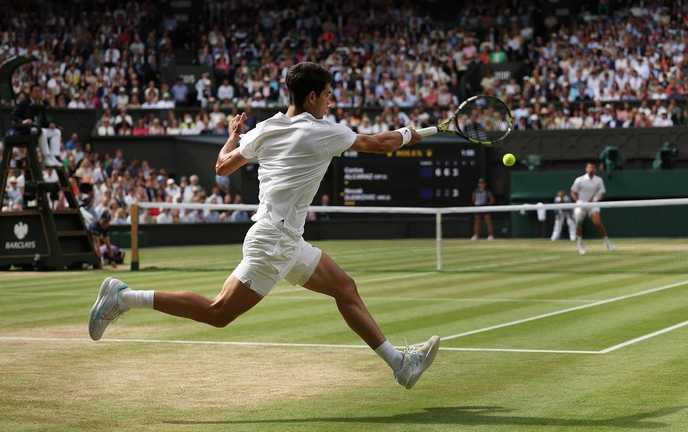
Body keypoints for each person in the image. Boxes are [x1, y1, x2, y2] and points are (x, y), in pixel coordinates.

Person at [88, 62, 439, 389]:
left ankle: (400, 364)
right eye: (328, 95)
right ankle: (124, 298)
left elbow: (222, 166)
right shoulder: (320, 131)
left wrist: (232, 136)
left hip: (285, 239)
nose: (331, 102)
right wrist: (414, 133)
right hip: (275, 242)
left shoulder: (267, 127)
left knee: (345, 288)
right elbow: (377, 143)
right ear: (311, 97)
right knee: (218, 312)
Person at [12, 84, 63, 166]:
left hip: (40, 130)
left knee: (56, 132)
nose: (38, 93)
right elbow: (14, 116)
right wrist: (24, 121)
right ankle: (46, 158)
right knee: (42, 131)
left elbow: (45, 119)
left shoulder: (43, 103)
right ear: (31, 93)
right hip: (27, 130)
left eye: (40, 91)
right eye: (36, 91)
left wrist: (50, 124)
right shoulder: (24, 103)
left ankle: (54, 157)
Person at [571, 162, 614, 255]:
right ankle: (580, 244)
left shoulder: (599, 180)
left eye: (593, 168)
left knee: (597, 223)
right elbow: (573, 192)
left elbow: (602, 192)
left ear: (595, 170)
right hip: (581, 204)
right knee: (578, 224)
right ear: (586, 169)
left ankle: (607, 242)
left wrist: (595, 199)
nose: (591, 169)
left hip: (593, 204)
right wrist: (578, 201)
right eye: (589, 168)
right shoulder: (579, 180)